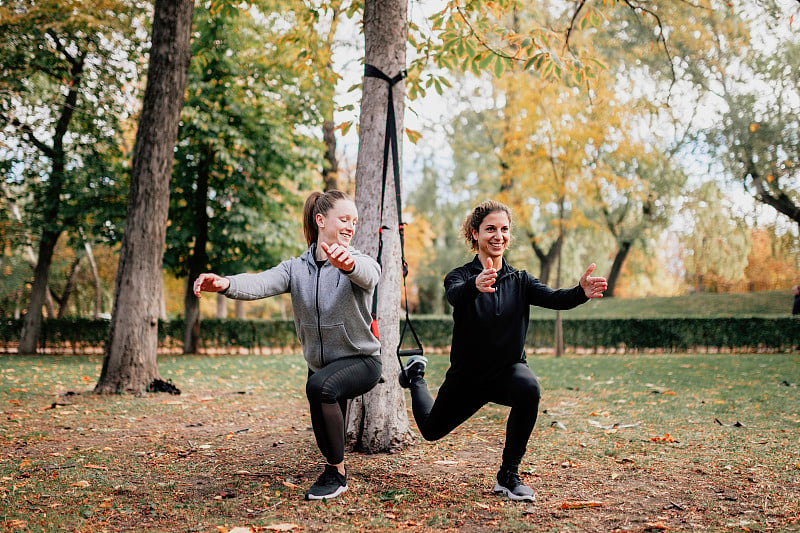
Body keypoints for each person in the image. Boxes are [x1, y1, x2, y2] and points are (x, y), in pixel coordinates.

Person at [399, 200, 607, 502]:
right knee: (431, 431)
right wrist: (476, 284)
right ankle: (416, 376)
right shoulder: (458, 276)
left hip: (507, 372)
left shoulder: (520, 280)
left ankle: (508, 475)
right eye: (490, 229)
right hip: (467, 378)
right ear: (475, 233)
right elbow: (455, 296)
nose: (499, 236)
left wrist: (581, 292)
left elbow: (555, 298)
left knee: (529, 389)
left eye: (504, 229)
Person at [193, 190, 382, 500]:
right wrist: (225, 283)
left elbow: (370, 276)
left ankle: (337, 474)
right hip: (321, 365)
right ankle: (333, 465)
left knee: (320, 388)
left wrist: (347, 265)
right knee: (320, 395)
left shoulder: (357, 260)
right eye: (344, 219)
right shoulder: (296, 269)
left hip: (361, 360)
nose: (351, 227)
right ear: (321, 220)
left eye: (354, 221)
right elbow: (260, 282)